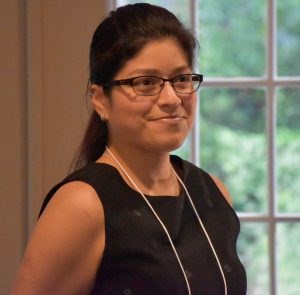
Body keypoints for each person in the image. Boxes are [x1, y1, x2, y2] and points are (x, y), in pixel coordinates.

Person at [11, 3, 246, 295]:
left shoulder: (214, 192)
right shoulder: (82, 204)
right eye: (146, 83)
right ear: (99, 99)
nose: (172, 98)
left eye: (182, 79)